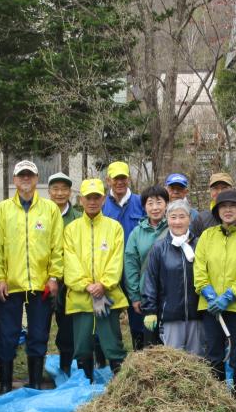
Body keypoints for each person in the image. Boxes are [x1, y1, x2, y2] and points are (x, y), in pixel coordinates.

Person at [0, 160, 63, 394]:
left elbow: (57, 247)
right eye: (21, 176)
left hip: (41, 285)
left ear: (37, 178)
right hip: (11, 285)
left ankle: (35, 383)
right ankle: (5, 385)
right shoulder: (3, 209)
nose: (25, 180)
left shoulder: (50, 209)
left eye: (30, 176)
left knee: (39, 334)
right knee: (8, 334)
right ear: (15, 180)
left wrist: (54, 277)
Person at [194, 190, 236, 399]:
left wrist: (229, 296)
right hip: (210, 307)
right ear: (217, 211)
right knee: (214, 354)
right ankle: (219, 399)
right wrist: (208, 292)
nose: (228, 210)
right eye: (223, 206)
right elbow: (199, 269)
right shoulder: (207, 236)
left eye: (233, 206)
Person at [64, 179, 128, 382]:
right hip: (81, 298)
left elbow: (116, 259)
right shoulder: (71, 229)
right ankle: (85, 388)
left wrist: (104, 284)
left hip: (106, 296)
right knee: (82, 345)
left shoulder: (114, 228)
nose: (92, 202)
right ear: (80, 199)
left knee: (112, 344)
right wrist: (86, 284)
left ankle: (120, 387)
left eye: (96, 197)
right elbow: (70, 260)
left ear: (103, 199)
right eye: (88, 198)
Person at [141, 200, 204, 356]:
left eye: (182, 217)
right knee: (173, 362)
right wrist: (150, 309)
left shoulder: (200, 244)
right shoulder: (159, 247)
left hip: (197, 315)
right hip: (170, 316)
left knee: (196, 362)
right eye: (173, 217)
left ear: (189, 219)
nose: (177, 222)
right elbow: (151, 280)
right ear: (167, 219)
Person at [102, 160, 147, 358]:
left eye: (123, 178)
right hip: (109, 271)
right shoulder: (102, 205)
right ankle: (111, 362)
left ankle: (140, 360)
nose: (119, 182)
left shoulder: (141, 203)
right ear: (108, 180)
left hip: (134, 271)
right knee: (108, 320)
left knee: (138, 318)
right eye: (115, 178)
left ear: (129, 179)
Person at [124, 185, 169, 349]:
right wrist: (135, 296)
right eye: (150, 203)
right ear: (144, 207)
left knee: (169, 339)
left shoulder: (174, 227)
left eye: (159, 202)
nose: (155, 207)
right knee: (146, 339)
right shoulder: (137, 233)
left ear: (166, 204)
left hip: (171, 296)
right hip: (146, 296)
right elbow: (131, 265)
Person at [47, 172, 80, 375]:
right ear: (49, 191)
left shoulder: (77, 217)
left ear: (70, 192)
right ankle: (34, 373)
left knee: (67, 326)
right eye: (55, 189)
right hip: (44, 280)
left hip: (69, 282)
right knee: (40, 326)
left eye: (64, 189)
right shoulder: (42, 212)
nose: (60, 193)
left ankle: (66, 365)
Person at [191, 172, 236, 237]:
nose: (220, 192)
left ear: (232, 189)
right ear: (210, 192)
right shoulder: (201, 219)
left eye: (224, 188)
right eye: (215, 188)